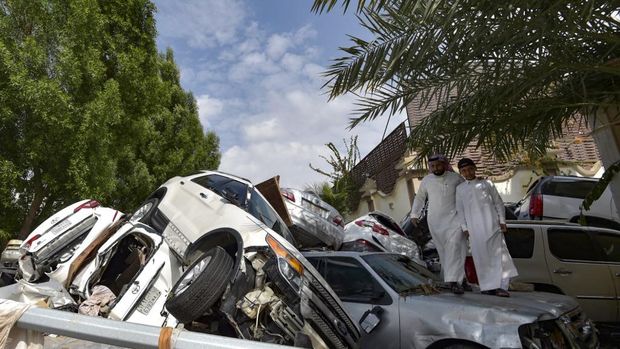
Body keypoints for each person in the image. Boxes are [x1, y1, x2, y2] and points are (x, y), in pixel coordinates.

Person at [455, 158, 518, 297]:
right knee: (481, 258)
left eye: (470, 169)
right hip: (474, 230)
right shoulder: (460, 189)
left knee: (499, 256)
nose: (467, 173)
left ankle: (501, 286)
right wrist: (465, 228)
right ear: (461, 173)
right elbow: (460, 210)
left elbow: (498, 203)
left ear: (475, 168)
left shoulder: (487, 183)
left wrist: (502, 220)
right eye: (464, 171)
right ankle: (487, 287)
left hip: (492, 225)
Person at [410, 155, 467, 294]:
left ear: (444, 164)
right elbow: (420, 198)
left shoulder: (456, 178)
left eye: (438, 165)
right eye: (432, 166)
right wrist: (414, 214)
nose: (435, 168)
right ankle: (461, 280)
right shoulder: (427, 181)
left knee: (455, 246)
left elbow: (467, 193)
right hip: (435, 221)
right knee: (444, 252)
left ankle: (453, 282)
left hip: (455, 219)